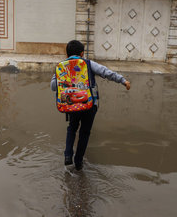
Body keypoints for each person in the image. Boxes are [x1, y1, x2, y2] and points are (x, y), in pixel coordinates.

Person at [51, 40, 131, 170]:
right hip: (89, 105)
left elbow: (53, 87)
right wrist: (123, 80)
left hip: (71, 105)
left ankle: (67, 155)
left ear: (67, 54)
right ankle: (78, 162)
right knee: (85, 132)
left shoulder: (61, 67)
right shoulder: (88, 64)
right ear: (82, 53)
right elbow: (106, 72)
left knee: (72, 128)